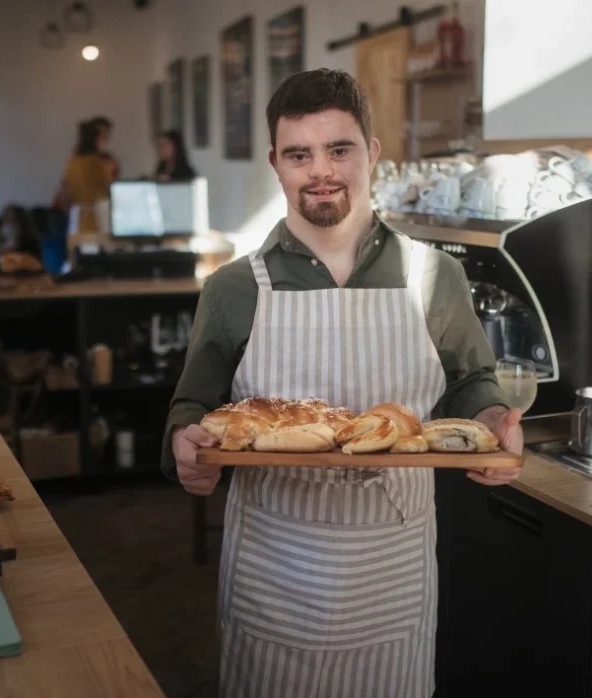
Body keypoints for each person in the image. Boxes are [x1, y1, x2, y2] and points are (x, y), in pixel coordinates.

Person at [162, 68, 524, 698]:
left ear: (372, 154)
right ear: (277, 163)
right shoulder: (234, 288)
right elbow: (193, 404)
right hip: (277, 569)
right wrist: (186, 448)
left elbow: (471, 383)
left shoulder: (433, 276)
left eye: (339, 149)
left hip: (392, 568)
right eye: (300, 154)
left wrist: (494, 424)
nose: (320, 170)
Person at [56, 120, 114, 233]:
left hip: (77, 216)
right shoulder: (101, 164)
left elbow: (66, 193)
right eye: (104, 138)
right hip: (97, 217)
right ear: (96, 139)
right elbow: (109, 191)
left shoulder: (72, 162)